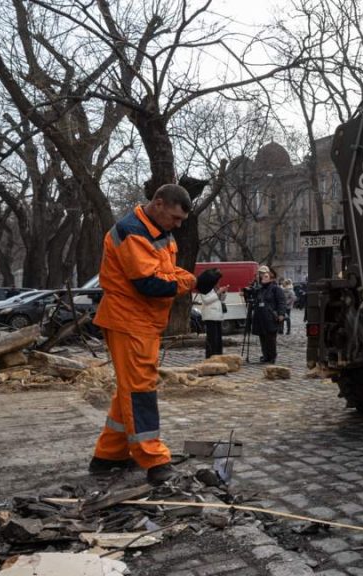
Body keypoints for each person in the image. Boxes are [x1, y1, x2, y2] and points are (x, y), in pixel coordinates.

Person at [88, 184, 219, 486]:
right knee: (140, 390)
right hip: (128, 321)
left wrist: (196, 281)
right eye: (175, 218)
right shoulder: (132, 231)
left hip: (140, 323)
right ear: (158, 203)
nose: (178, 224)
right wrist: (192, 284)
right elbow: (149, 284)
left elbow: (168, 272)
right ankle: (154, 460)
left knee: (129, 391)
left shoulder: (157, 231)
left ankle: (108, 456)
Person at [251, 266, 286, 363]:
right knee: (262, 337)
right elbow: (254, 300)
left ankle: (272, 356)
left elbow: (281, 302)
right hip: (260, 316)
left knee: (270, 338)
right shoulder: (260, 289)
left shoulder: (276, 289)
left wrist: (281, 314)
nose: (263, 278)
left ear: (271, 278)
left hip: (270, 316)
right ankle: (265, 355)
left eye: (266, 276)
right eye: (262, 276)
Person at [196, 278, 227, 358]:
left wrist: (223, 292)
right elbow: (206, 300)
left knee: (218, 338)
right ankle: (211, 355)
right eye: (217, 281)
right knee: (212, 338)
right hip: (210, 316)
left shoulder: (216, 289)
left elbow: (222, 300)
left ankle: (218, 354)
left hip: (218, 316)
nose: (218, 283)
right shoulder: (205, 289)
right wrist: (218, 293)